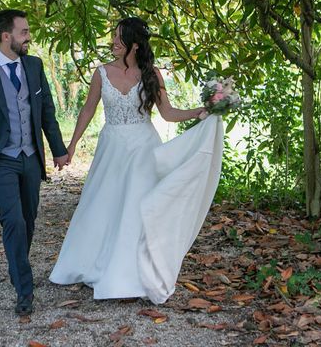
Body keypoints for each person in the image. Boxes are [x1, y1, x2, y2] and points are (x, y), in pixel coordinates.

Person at [49, 17, 224, 304]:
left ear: (135, 44)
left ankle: (133, 273)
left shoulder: (152, 73)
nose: (114, 43)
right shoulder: (101, 73)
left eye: (120, 38)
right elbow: (88, 110)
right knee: (102, 205)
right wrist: (71, 145)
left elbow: (167, 113)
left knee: (137, 209)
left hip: (143, 147)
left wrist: (199, 112)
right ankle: (90, 263)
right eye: (114, 37)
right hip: (112, 148)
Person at [0, 9, 68, 316]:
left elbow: (47, 110)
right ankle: (24, 289)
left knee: (29, 220)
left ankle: (16, 265)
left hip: (30, 158)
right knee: (14, 220)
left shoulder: (33, 66)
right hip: (1, 160)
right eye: (24, 32)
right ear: (6, 36)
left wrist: (58, 150)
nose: (28, 37)